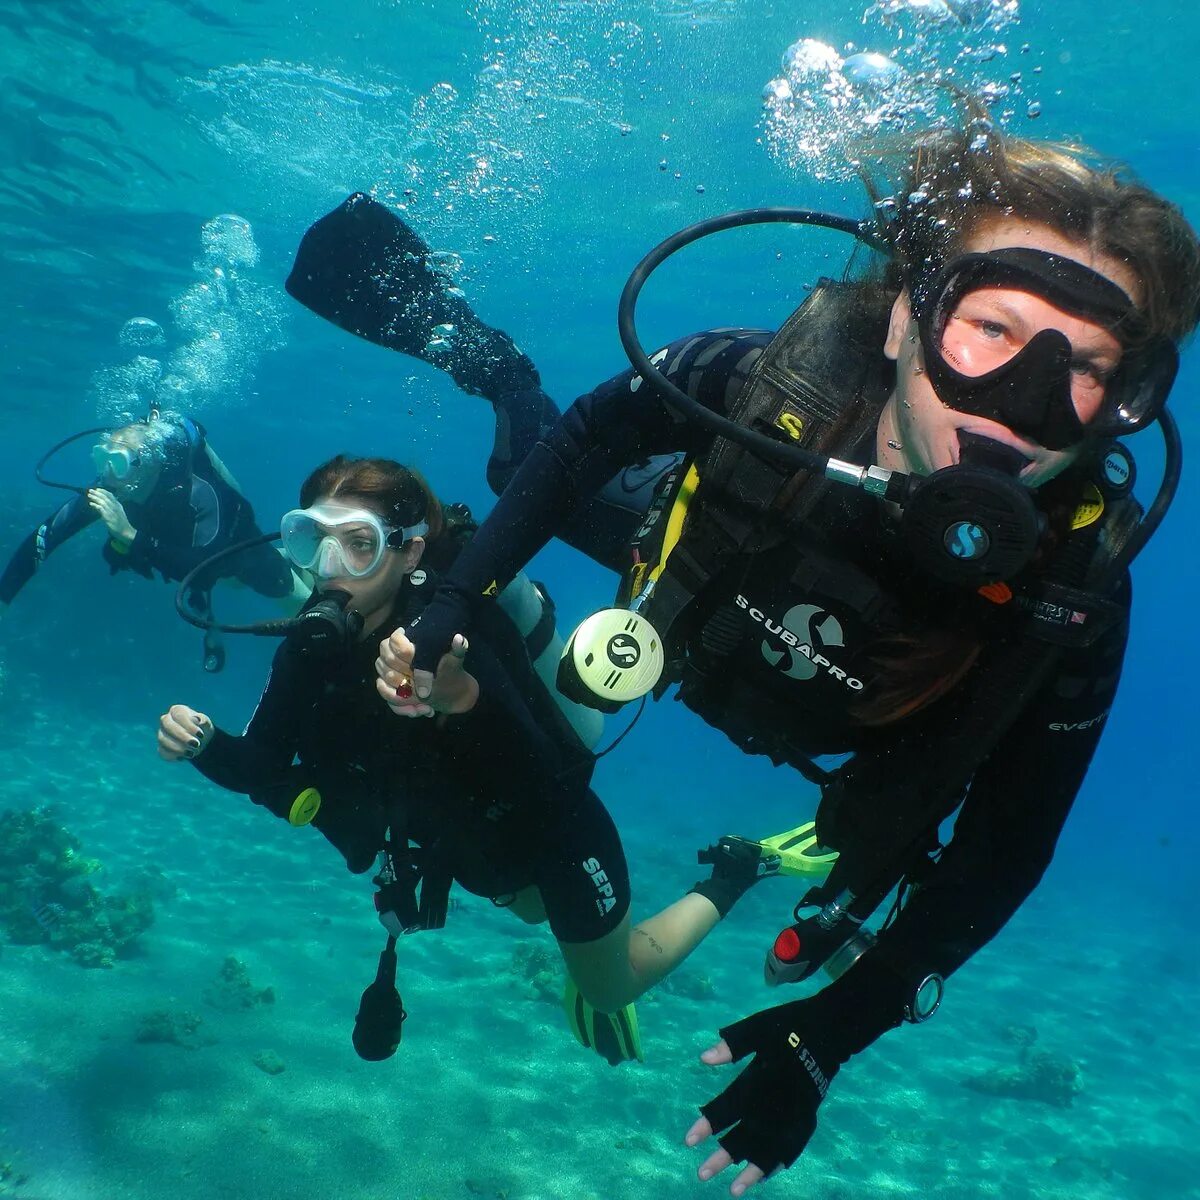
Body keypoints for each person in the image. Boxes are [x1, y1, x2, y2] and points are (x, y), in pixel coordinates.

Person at [368, 121, 1200, 1192]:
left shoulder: (1075, 590)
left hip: (835, 738)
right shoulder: (766, 381)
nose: (1024, 402)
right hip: (682, 579)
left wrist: (827, 1040)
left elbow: (1007, 843)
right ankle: (495, 369)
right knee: (523, 452)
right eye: (993, 328)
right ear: (909, 317)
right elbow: (589, 439)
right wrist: (447, 601)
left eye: (1084, 367)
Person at [155, 454, 781, 1065]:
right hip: (476, 856)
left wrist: (462, 697)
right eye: (309, 539)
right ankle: (576, 931)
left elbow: (553, 785)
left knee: (609, 986)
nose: (328, 567)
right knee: (531, 909)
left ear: (412, 552)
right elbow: (265, 763)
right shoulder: (309, 651)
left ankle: (733, 874)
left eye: (358, 544)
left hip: (555, 839)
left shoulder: (456, 636)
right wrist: (207, 746)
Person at [0, 413, 308, 670]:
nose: (108, 474)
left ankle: (306, 568)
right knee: (233, 583)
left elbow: (206, 570)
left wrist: (129, 536)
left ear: (148, 464)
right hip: (188, 550)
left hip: (233, 548)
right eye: (101, 458)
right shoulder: (112, 484)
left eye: (118, 462)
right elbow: (45, 537)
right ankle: (295, 554)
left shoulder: (199, 492)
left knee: (294, 600)